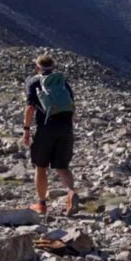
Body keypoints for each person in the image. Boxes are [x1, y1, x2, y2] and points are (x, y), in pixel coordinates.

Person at [22, 54, 79, 215]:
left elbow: (30, 108)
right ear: (53, 68)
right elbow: (72, 109)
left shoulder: (33, 82)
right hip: (66, 128)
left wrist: (26, 129)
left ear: (36, 67)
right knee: (62, 166)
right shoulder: (62, 83)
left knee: (41, 167)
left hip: (46, 128)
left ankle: (41, 204)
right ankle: (71, 193)